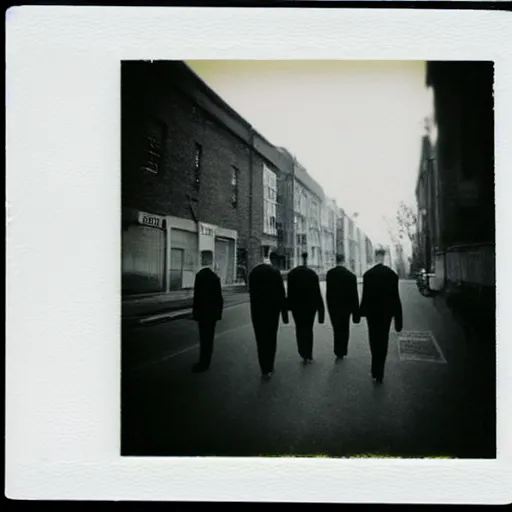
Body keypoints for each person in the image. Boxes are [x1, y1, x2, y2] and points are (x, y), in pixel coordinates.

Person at [359, 247, 403, 383]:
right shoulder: (392, 275)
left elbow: (365, 296)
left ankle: (374, 368)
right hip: (386, 313)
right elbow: (396, 297)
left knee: (373, 339)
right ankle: (380, 372)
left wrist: (361, 312)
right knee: (383, 340)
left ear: (374, 257)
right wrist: (398, 319)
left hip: (372, 313)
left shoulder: (368, 275)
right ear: (383, 257)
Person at [248, 248, 289, 379]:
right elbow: (282, 295)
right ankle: (269, 367)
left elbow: (251, 294)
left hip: (257, 312)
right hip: (272, 312)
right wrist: (284, 314)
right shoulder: (275, 273)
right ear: (274, 260)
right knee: (271, 339)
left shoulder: (254, 272)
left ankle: (263, 368)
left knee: (260, 340)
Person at [287, 251, 325, 364]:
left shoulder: (292, 274)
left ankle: (302, 352)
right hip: (310, 307)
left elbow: (289, 293)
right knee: (308, 329)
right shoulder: (312, 274)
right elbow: (317, 293)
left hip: (296, 307)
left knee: (299, 328)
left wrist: (287, 308)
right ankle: (309, 353)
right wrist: (321, 312)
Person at [191, 250, 224, 373]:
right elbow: (219, 298)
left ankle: (202, 362)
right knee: (209, 338)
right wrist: (219, 313)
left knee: (203, 337)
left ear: (203, 260)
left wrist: (195, 312)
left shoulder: (199, 276)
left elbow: (197, 296)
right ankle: (206, 361)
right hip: (212, 313)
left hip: (202, 312)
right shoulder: (215, 277)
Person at [326, 253, 360, 360]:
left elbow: (328, 293)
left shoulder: (330, 274)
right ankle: (343, 349)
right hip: (346, 308)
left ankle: (337, 350)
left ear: (336, 261)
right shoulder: (351, 276)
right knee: (345, 328)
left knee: (336, 328)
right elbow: (354, 296)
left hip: (334, 307)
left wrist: (329, 306)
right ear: (344, 261)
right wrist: (356, 313)